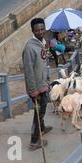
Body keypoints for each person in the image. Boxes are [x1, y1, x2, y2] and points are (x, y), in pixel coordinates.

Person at [22, 18, 52, 150]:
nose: (40, 32)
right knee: (38, 113)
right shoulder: (30, 48)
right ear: (32, 31)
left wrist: (47, 80)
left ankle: (43, 128)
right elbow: (28, 70)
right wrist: (33, 90)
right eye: (37, 30)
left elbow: (43, 64)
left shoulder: (42, 43)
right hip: (36, 88)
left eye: (42, 29)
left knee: (42, 109)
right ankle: (34, 141)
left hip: (43, 84)